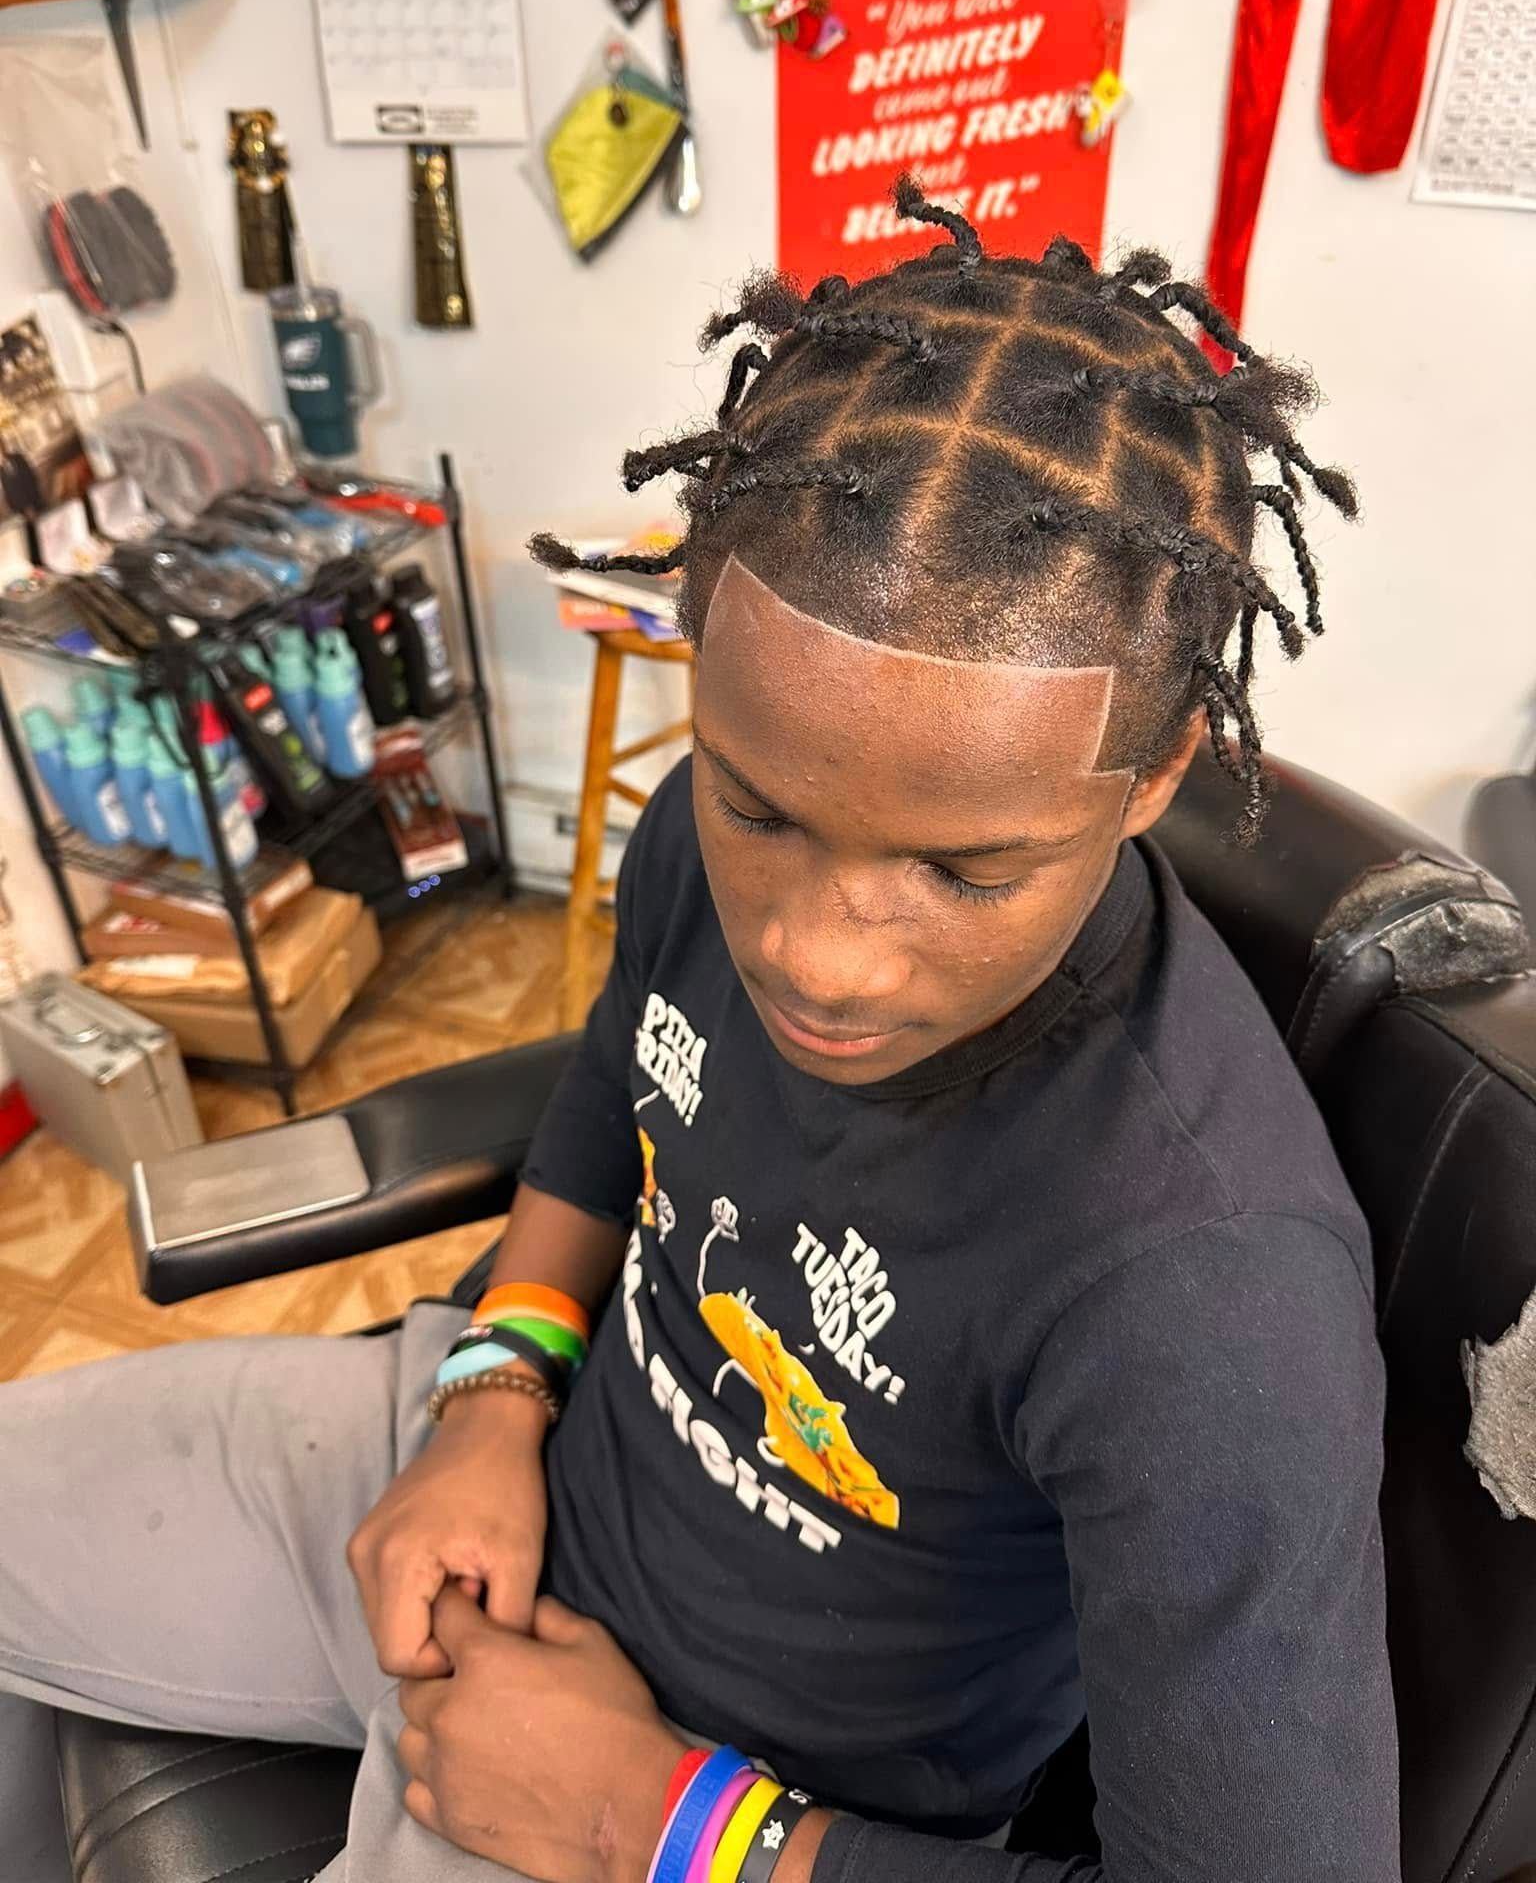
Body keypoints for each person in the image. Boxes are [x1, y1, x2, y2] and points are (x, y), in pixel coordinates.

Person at [0, 179, 1397, 1883]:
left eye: (964, 871)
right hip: (482, 1480)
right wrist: (492, 1395)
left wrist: (654, 1820)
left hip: (720, 1791)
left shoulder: (1206, 1289)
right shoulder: (694, 831)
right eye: (760, 810)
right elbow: (611, 1100)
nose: (818, 956)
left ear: (1154, 779)